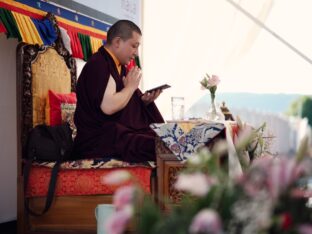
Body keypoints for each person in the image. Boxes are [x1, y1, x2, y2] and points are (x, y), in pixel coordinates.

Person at [73, 20, 164, 162]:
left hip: (114, 134)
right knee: (160, 145)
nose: (136, 54)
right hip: (96, 141)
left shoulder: (118, 67)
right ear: (117, 42)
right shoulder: (99, 64)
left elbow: (125, 103)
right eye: (134, 46)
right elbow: (109, 107)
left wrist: (143, 102)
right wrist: (131, 87)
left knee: (161, 137)